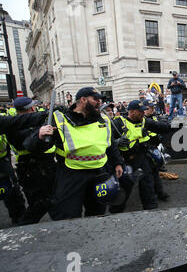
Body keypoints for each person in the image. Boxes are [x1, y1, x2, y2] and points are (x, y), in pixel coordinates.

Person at [32, 87, 124, 221]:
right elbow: (33, 145)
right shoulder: (60, 119)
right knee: (68, 215)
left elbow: (110, 145)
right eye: (95, 99)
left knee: (97, 213)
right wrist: (39, 137)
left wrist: (117, 163)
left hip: (99, 173)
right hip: (71, 174)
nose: (99, 102)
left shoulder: (103, 119)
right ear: (83, 100)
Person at [111, 100, 170, 213]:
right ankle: (115, 214)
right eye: (140, 111)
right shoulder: (118, 123)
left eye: (144, 111)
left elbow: (162, 127)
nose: (143, 113)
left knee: (148, 186)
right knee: (124, 190)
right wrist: (117, 142)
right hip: (125, 161)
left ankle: (151, 211)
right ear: (131, 111)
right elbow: (106, 142)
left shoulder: (145, 121)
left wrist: (168, 121)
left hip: (141, 158)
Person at [5, 97, 57, 225]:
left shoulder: (31, 121)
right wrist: (39, 132)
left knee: (53, 199)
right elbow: (27, 141)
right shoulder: (14, 126)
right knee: (38, 203)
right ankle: (24, 225)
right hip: (30, 168)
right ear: (31, 108)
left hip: (46, 165)